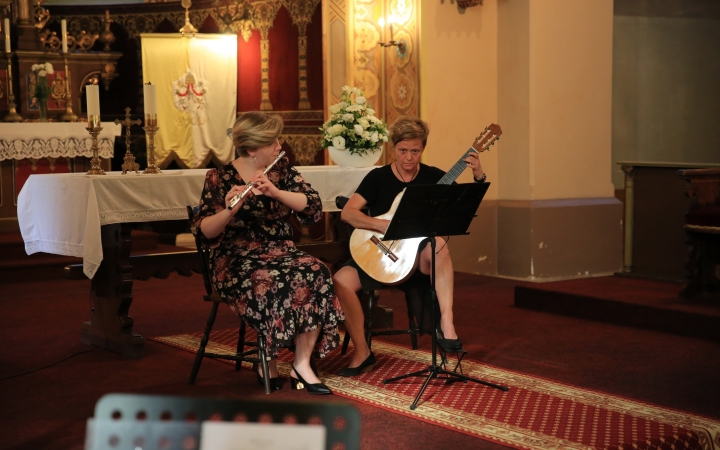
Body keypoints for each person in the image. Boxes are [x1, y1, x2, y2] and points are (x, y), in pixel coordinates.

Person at [192, 111, 343, 395]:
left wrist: (276, 192)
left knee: (316, 271)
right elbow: (205, 232)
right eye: (272, 143)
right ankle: (267, 361)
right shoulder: (219, 178)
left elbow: (311, 206)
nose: (279, 147)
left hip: (281, 252)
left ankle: (302, 363)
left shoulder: (281, 171)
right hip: (237, 259)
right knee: (270, 280)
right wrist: (229, 210)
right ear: (251, 149)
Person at [332, 115, 486, 376]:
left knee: (437, 244)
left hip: (415, 261)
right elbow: (348, 213)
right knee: (341, 279)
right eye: (403, 151)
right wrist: (382, 225)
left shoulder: (435, 177)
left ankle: (447, 323)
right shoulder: (378, 177)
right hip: (379, 253)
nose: (409, 157)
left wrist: (478, 175)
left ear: (422, 149)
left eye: (415, 151)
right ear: (394, 148)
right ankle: (362, 351)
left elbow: (462, 209)